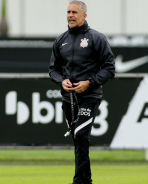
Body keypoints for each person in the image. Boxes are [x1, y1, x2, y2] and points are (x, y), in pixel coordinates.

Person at [49, 1, 115, 184]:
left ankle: (79, 181)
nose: (70, 15)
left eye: (74, 12)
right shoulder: (60, 40)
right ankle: (86, 180)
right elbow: (52, 69)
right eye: (68, 12)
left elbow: (110, 68)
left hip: (89, 96)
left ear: (84, 15)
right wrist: (61, 81)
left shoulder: (96, 38)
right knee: (79, 140)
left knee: (80, 135)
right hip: (68, 98)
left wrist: (90, 82)